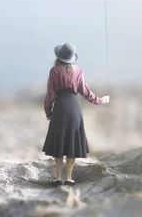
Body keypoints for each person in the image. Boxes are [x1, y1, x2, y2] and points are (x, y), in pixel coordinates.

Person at [42, 43, 110, 186]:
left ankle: (57, 178)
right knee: (71, 143)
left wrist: (48, 112)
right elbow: (86, 92)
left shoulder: (54, 71)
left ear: (59, 57)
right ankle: (68, 178)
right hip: (74, 109)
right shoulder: (78, 71)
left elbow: (50, 95)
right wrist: (100, 100)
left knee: (59, 143)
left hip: (60, 108)